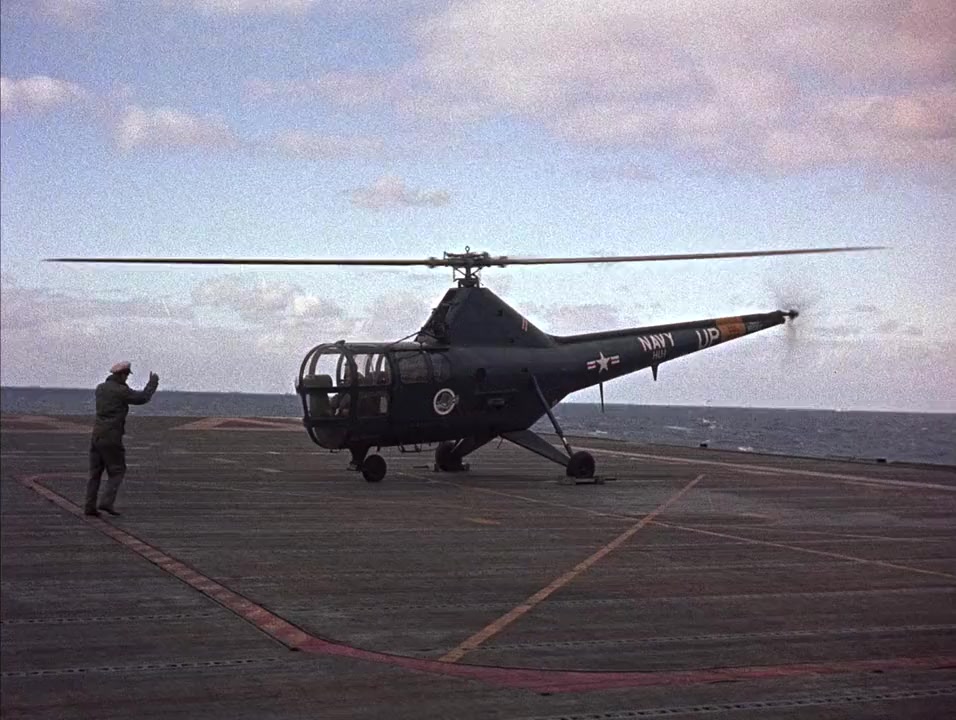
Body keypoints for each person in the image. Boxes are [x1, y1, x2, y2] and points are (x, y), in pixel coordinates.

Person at [85, 361, 159, 517]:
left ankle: (89, 506)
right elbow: (142, 398)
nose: (127, 378)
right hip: (112, 436)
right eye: (126, 375)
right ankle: (106, 502)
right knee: (118, 470)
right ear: (122, 375)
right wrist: (152, 384)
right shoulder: (121, 391)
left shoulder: (100, 388)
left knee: (95, 474)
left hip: (97, 436)